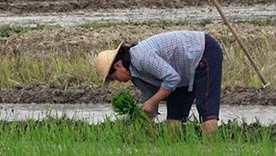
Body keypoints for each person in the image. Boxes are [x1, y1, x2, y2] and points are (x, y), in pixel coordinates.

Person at [94, 30, 223, 135]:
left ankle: (211, 153)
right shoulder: (135, 76)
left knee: (206, 109)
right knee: (174, 115)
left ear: (118, 65)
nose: (118, 81)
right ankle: (173, 152)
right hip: (180, 69)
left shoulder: (141, 58)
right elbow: (149, 97)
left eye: (114, 78)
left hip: (202, 52)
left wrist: (151, 102)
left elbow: (172, 79)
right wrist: (141, 125)